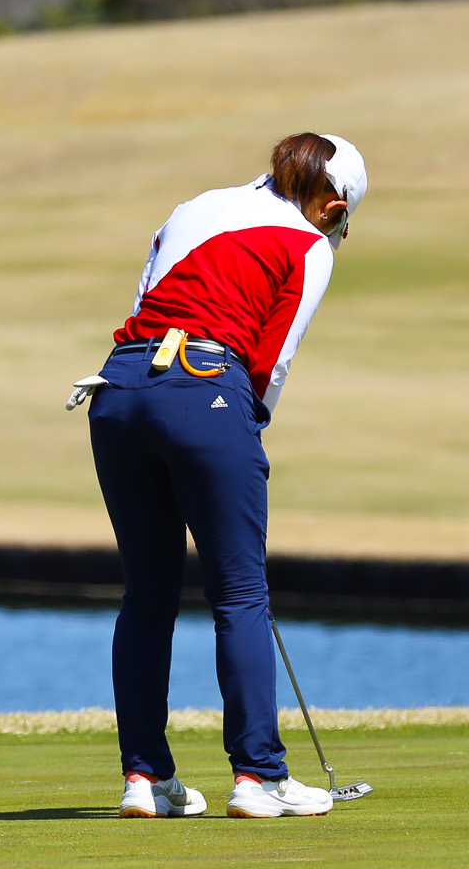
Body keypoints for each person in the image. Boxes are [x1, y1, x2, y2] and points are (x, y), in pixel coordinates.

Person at [74, 132, 367, 820]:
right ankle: (257, 776)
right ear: (330, 203)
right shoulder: (308, 243)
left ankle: (145, 779)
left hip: (117, 390)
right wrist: (242, 425)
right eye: (345, 220)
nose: (341, 232)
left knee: (148, 593)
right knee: (239, 589)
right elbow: (275, 358)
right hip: (207, 386)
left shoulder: (198, 204)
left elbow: (147, 296)